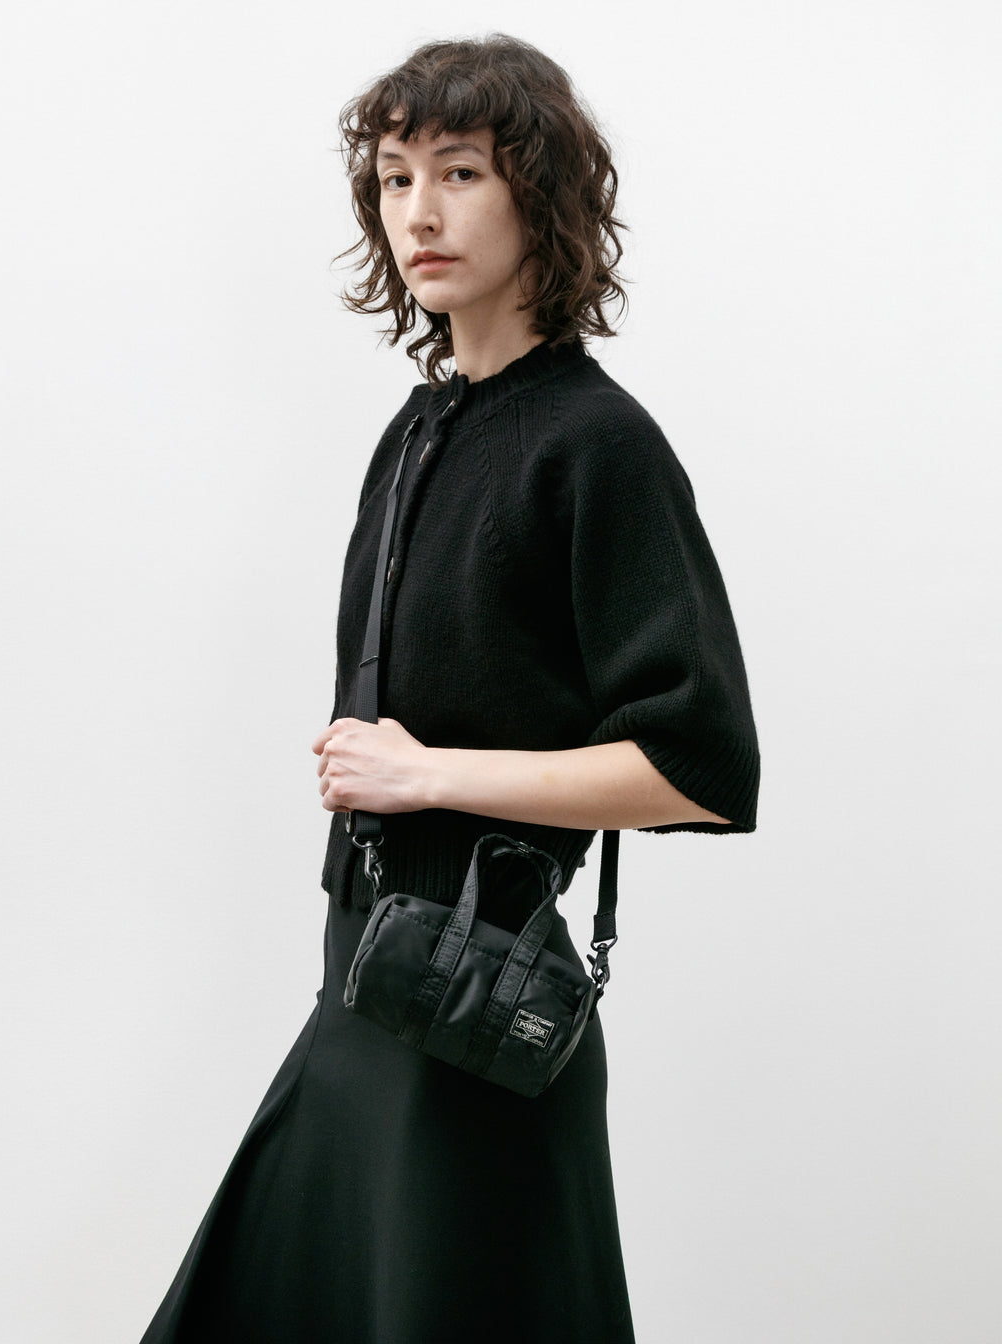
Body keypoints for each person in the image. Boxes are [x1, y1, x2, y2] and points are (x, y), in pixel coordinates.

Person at [140, 33, 760, 1344]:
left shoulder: (596, 444)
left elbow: (699, 767)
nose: (418, 210)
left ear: (541, 191)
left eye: (460, 170)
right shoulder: (421, 430)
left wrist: (424, 775)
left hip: (473, 1013)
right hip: (365, 983)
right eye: (394, 176)